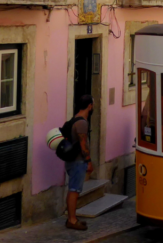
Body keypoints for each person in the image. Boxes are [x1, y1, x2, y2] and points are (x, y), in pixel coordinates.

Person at [65, 95, 94, 231]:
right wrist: (88, 161)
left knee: (73, 189)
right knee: (74, 190)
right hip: (77, 161)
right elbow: (83, 145)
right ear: (89, 106)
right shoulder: (82, 122)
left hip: (71, 161)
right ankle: (72, 220)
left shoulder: (74, 119)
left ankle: (72, 218)